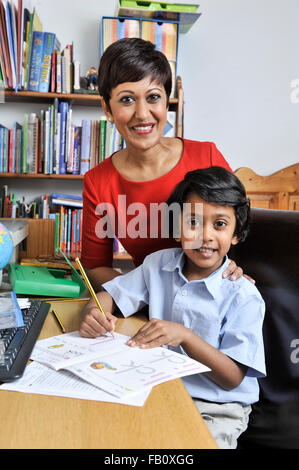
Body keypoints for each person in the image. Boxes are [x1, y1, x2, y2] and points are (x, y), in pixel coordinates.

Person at [79, 166, 266, 449]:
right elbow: (109, 297)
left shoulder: (244, 296)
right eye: (193, 221)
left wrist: (186, 336)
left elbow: (232, 378)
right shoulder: (157, 265)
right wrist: (93, 312)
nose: (205, 235)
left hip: (215, 408)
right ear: (177, 228)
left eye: (219, 224)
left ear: (236, 233)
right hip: (157, 392)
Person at [80, 37, 250, 291]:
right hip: (150, 307)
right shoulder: (99, 181)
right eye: (127, 99)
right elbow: (94, 267)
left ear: (166, 101)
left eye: (153, 97)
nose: (142, 113)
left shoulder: (207, 156)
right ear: (107, 107)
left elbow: (239, 228)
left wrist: (238, 266)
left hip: (214, 296)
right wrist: (147, 293)